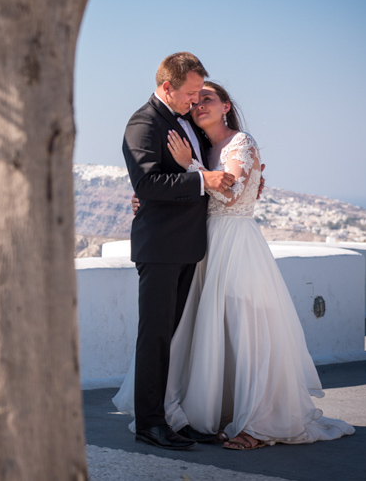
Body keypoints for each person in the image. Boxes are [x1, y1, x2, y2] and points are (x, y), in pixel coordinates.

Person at [115, 81, 355, 450]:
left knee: (247, 333)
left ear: (226, 106)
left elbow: (229, 194)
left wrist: (190, 167)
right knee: (203, 334)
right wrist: (151, 197)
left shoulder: (240, 143)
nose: (199, 105)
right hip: (202, 247)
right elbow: (174, 187)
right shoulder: (201, 144)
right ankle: (204, 414)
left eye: (208, 98)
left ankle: (257, 423)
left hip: (236, 247)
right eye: (195, 100)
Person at [119, 52, 236, 450]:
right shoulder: (144, 123)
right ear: (167, 87)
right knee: (155, 337)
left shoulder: (186, 124)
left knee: (173, 338)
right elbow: (149, 184)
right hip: (160, 248)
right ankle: (149, 424)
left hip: (188, 247)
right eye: (189, 93)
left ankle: (171, 416)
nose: (194, 100)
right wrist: (203, 181)